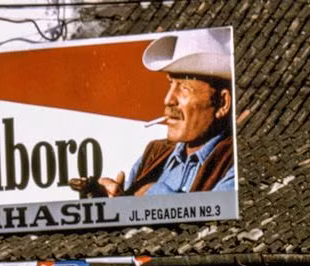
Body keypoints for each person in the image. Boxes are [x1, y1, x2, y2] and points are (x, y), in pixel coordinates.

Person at [69, 27, 234, 198]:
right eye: (170, 83)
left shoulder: (233, 160)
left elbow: (220, 213)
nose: (168, 100)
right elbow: (129, 208)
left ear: (222, 103)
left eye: (185, 88)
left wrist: (150, 194)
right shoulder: (153, 154)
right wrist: (111, 201)